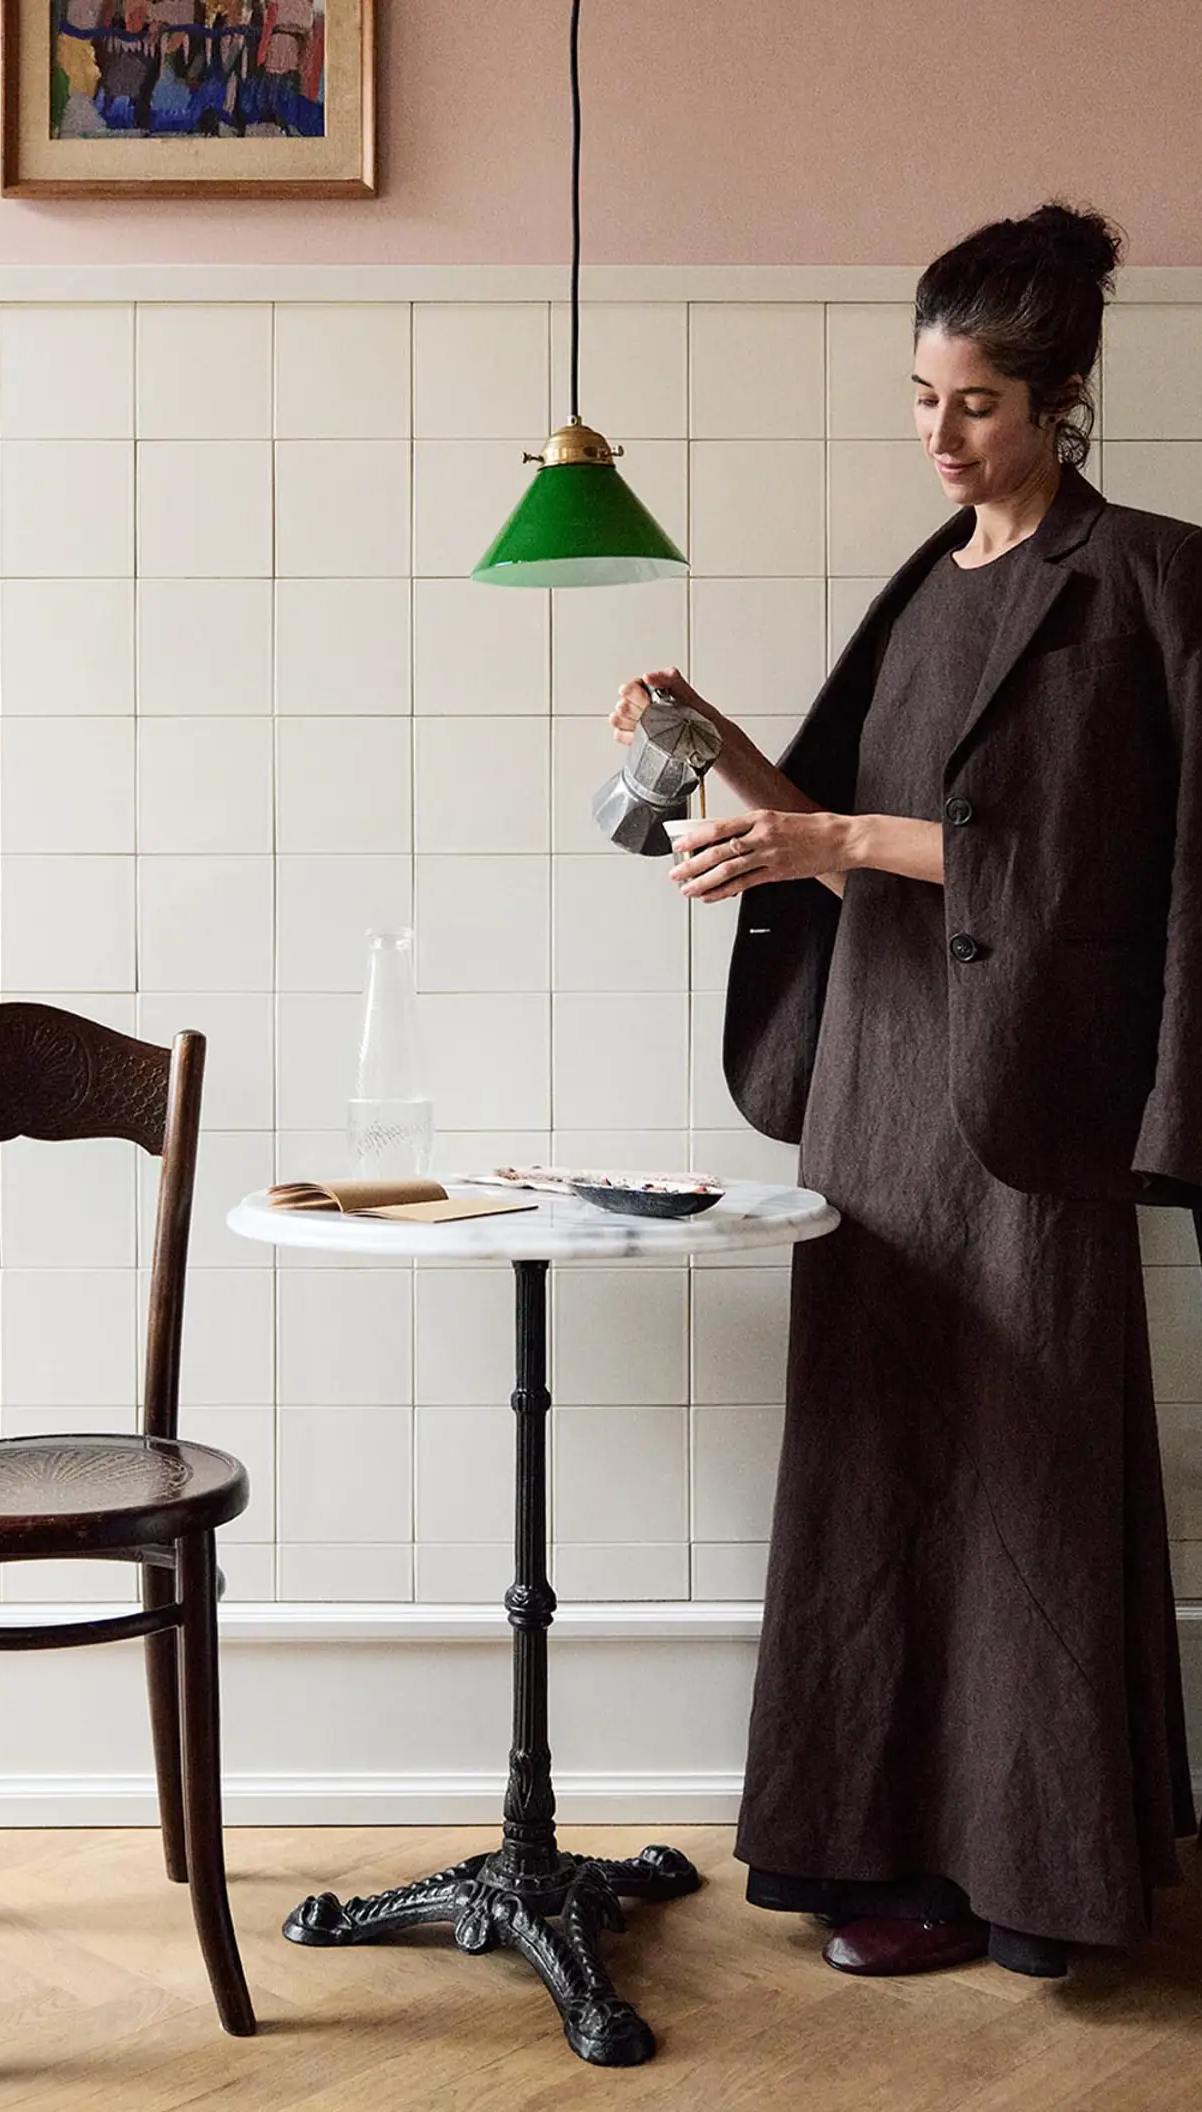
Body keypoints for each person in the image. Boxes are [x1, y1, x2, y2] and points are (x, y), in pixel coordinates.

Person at [613, 202, 1201, 1979]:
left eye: (980, 408)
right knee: (879, 1471)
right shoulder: (919, 586)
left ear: (1064, 396)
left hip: (1030, 1105)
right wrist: (720, 752)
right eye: (923, 400)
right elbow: (849, 843)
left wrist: (831, 833)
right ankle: (879, 1845)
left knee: (1031, 1469)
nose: (942, 440)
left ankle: (1045, 1874)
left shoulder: (1149, 583)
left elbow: (1100, 871)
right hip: (877, 1086)